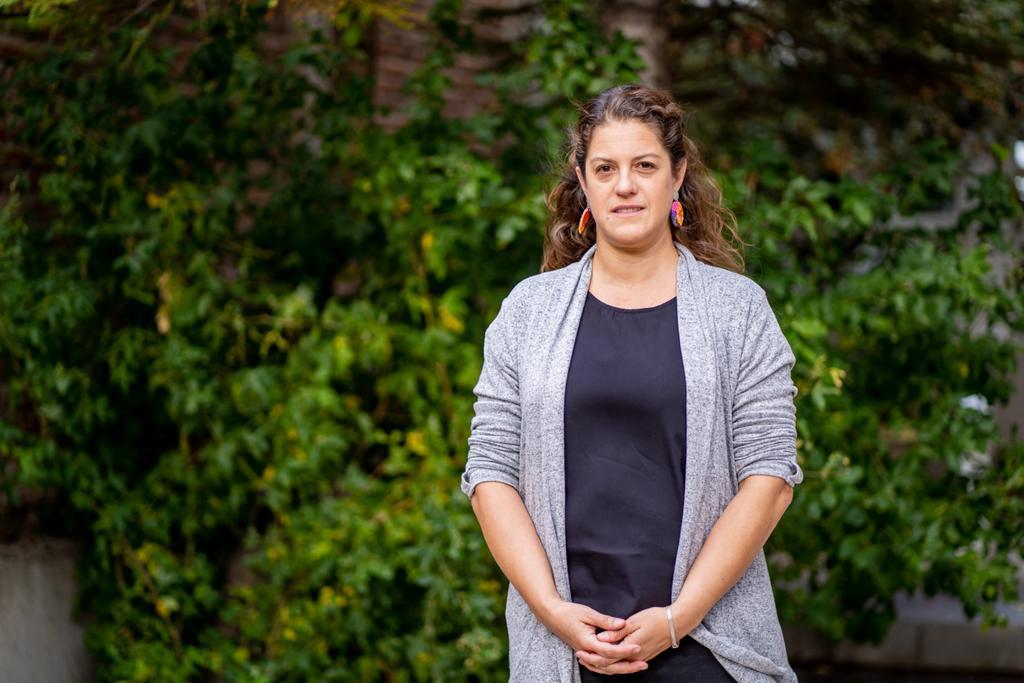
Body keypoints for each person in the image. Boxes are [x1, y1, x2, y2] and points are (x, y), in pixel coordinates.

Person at [460, 84, 803, 683]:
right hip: (565, 652)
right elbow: (490, 473)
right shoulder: (527, 312)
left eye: (644, 166)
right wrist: (552, 611)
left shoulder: (739, 311)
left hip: (709, 653)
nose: (625, 185)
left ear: (677, 175)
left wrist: (677, 619)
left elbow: (770, 477)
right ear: (582, 180)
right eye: (605, 168)